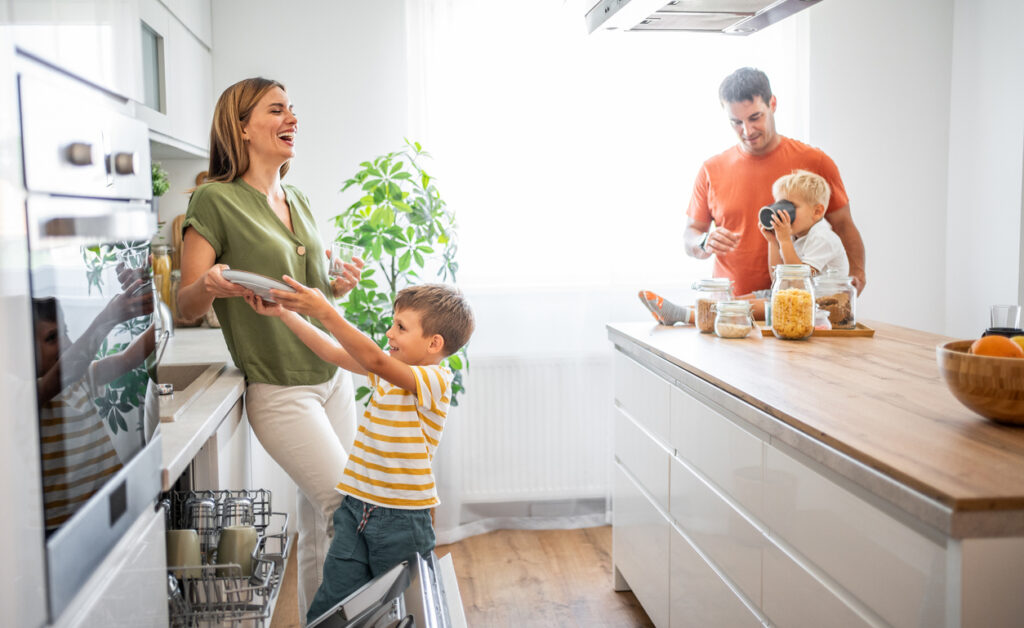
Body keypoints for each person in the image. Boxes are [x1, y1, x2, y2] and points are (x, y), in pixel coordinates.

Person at [176, 77, 364, 623]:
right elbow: (186, 303)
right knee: (349, 512)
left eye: (293, 110)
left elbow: (312, 291)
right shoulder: (214, 198)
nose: (292, 119)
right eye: (276, 110)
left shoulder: (297, 196)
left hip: (331, 377)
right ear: (241, 127)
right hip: (281, 389)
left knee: (320, 522)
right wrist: (209, 285)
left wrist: (338, 284)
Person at [242, 280, 474, 624]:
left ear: (433, 343)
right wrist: (285, 314)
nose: (390, 332)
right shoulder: (388, 373)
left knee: (412, 609)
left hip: (402, 519)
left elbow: (376, 360)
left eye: (400, 327)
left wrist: (325, 311)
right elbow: (333, 352)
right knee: (334, 604)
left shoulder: (435, 379)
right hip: (356, 508)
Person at [684, 67, 866, 297]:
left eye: (755, 117)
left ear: (773, 104)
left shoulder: (815, 161)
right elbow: (691, 233)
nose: (747, 130)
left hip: (797, 304)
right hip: (731, 307)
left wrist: (857, 276)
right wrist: (703, 242)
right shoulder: (711, 169)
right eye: (736, 122)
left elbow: (843, 225)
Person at [760, 169, 849, 279]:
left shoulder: (823, 238)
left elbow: (799, 281)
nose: (782, 212)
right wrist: (773, 241)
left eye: (791, 207)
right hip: (799, 294)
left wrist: (784, 241)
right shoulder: (793, 235)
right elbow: (778, 280)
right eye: (780, 204)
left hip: (827, 295)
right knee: (739, 297)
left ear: (817, 212)